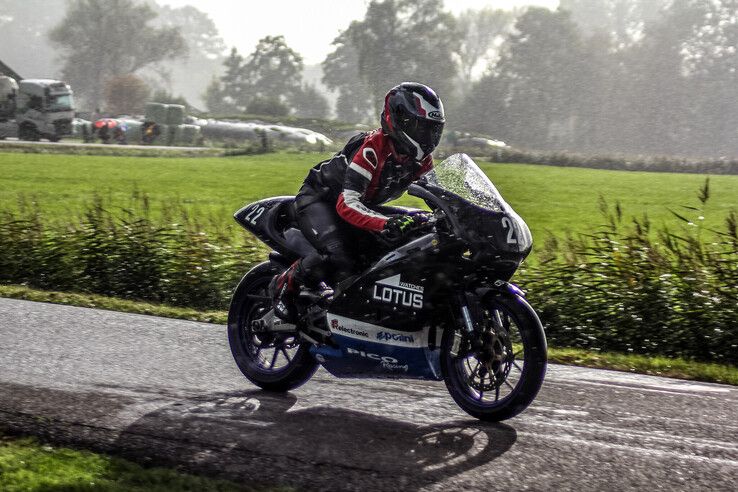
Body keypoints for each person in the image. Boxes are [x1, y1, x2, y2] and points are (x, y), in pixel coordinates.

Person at [271, 82, 445, 321]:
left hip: (362, 205)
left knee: (409, 240)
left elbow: (438, 197)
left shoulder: (421, 161)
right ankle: (286, 284)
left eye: (433, 130)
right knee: (337, 254)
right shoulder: (372, 148)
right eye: (422, 128)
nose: (428, 137)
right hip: (321, 200)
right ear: (399, 120)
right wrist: (386, 223)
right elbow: (346, 203)